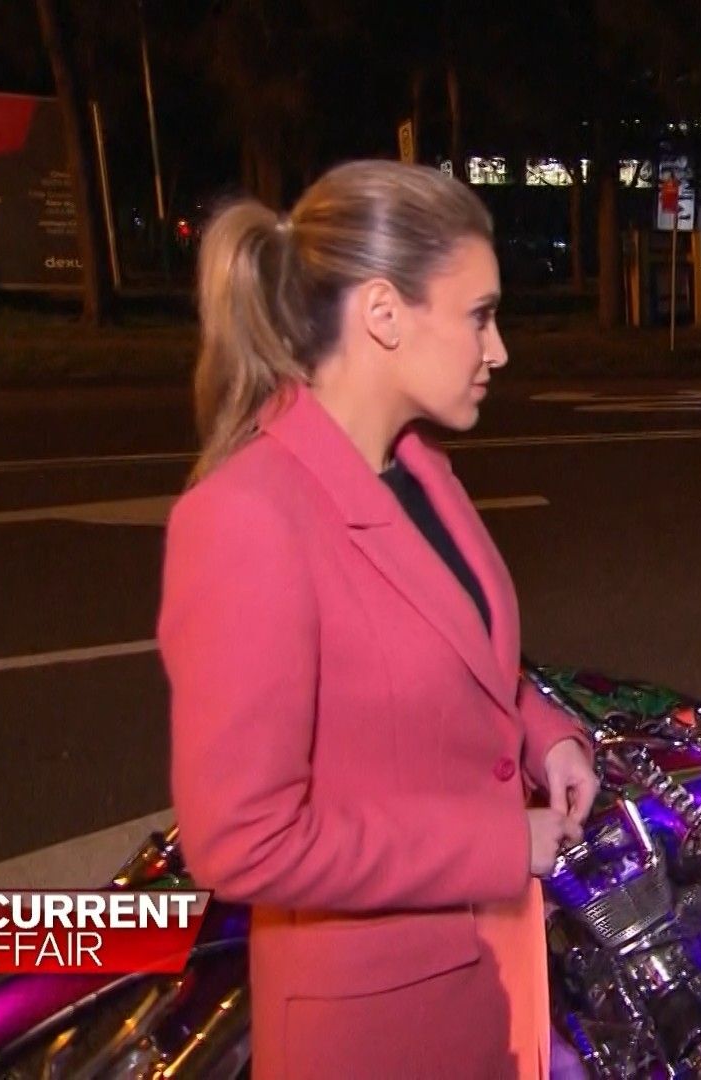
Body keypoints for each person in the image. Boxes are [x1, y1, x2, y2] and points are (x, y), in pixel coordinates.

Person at [159, 160, 598, 1080]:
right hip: (375, 1035)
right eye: (479, 315)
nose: (499, 350)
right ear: (385, 314)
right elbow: (245, 841)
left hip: (489, 982)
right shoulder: (247, 517)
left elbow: (462, 660)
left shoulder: (421, 472)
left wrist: (542, 735)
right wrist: (499, 842)